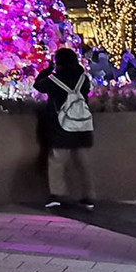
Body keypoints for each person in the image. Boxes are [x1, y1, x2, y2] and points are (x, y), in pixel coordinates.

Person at [34, 47, 94, 209]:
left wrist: (47, 70)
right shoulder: (84, 79)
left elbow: (38, 85)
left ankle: (57, 195)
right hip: (83, 125)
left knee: (57, 161)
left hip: (62, 126)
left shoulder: (54, 79)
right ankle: (88, 196)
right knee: (83, 162)